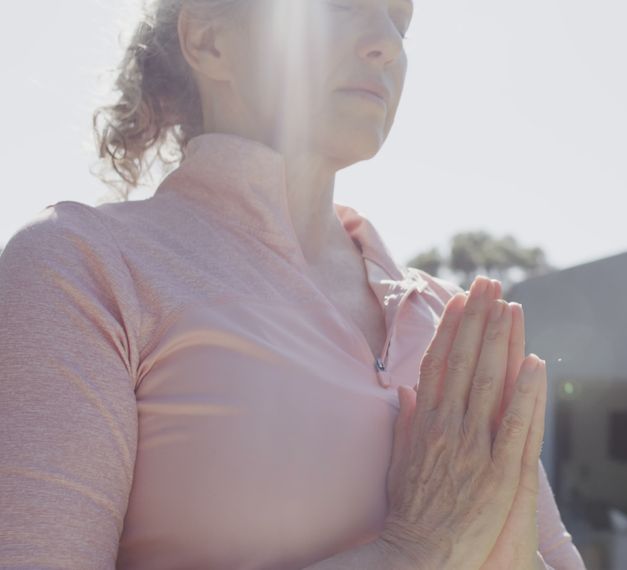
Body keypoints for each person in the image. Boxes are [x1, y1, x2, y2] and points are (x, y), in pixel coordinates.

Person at [0, 0, 586, 568]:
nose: (386, 43)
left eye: (401, 21)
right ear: (209, 40)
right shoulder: (83, 266)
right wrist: (414, 552)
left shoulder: (450, 317)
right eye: (337, 6)